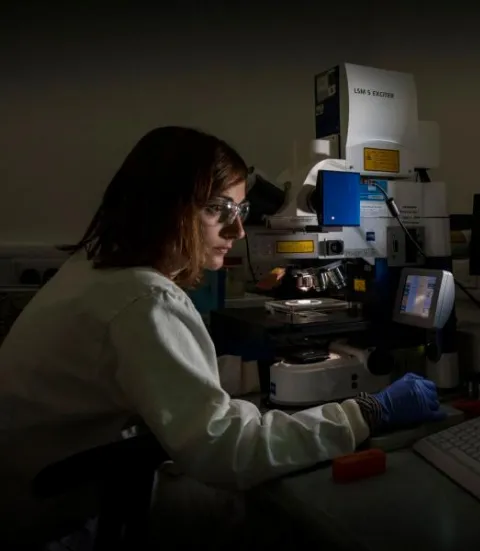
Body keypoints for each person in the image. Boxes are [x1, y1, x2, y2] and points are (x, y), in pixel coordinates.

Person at [0, 126, 445, 548]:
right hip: (62, 524)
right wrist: (368, 410)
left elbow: (153, 384)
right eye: (218, 209)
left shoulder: (91, 271)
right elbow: (229, 451)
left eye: (241, 211)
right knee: (277, 513)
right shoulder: (143, 300)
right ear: (163, 206)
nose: (236, 231)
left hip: (35, 493)